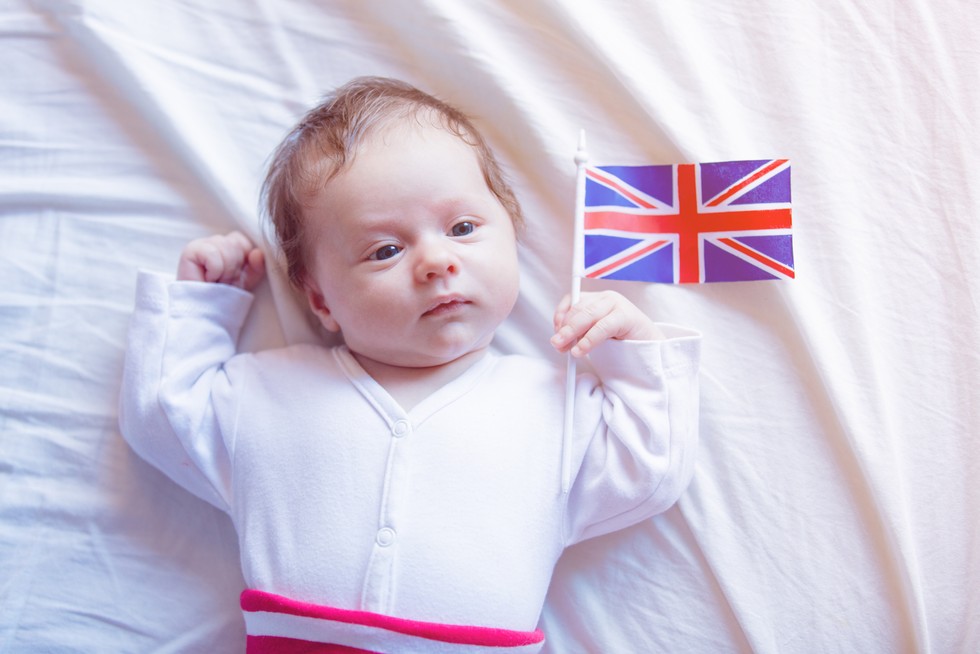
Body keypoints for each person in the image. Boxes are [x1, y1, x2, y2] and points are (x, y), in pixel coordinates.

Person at [119, 76, 701, 653]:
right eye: (385, 250)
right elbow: (163, 416)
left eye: (464, 228)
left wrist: (633, 350)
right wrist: (201, 306)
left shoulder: (556, 403)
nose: (436, 262)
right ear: (321, 300)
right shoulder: (266, 391)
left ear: (513, 241)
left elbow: (648, 468)